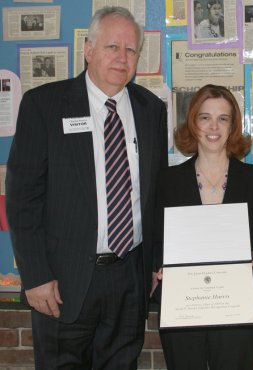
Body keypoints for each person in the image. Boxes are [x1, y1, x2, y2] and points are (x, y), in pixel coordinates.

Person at [6, 6, 167, 369]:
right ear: (88, 50)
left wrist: (156, 262)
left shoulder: (150, 109)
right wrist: (35, 275)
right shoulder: (44, 106)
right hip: (64, 282)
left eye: (130, 50)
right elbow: (23, 199)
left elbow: (156, 197)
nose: (122, 58)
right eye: (112, 47)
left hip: (129, 278)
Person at [152, 84, 253, 370]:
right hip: (183, 304)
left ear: (233, 126)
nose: (213, 127)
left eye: (223, 118)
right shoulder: (169, 179)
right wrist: (160, 266)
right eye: (205, 117)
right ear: (193, 123)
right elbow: (158, 239)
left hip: (235, 304)